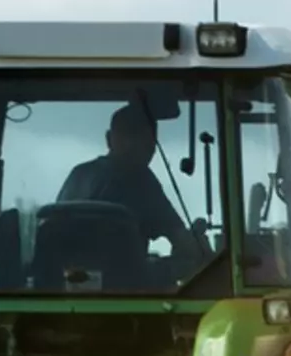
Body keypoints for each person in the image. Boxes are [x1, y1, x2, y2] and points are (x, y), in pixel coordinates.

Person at [54, 99, 200, 262]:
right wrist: (201, 250)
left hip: (65, 282)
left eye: (148, 143)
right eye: (135, 140)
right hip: (123, 283)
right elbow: (181, 238)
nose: (143, 149)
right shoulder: (141, 181)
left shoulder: (79, 174)